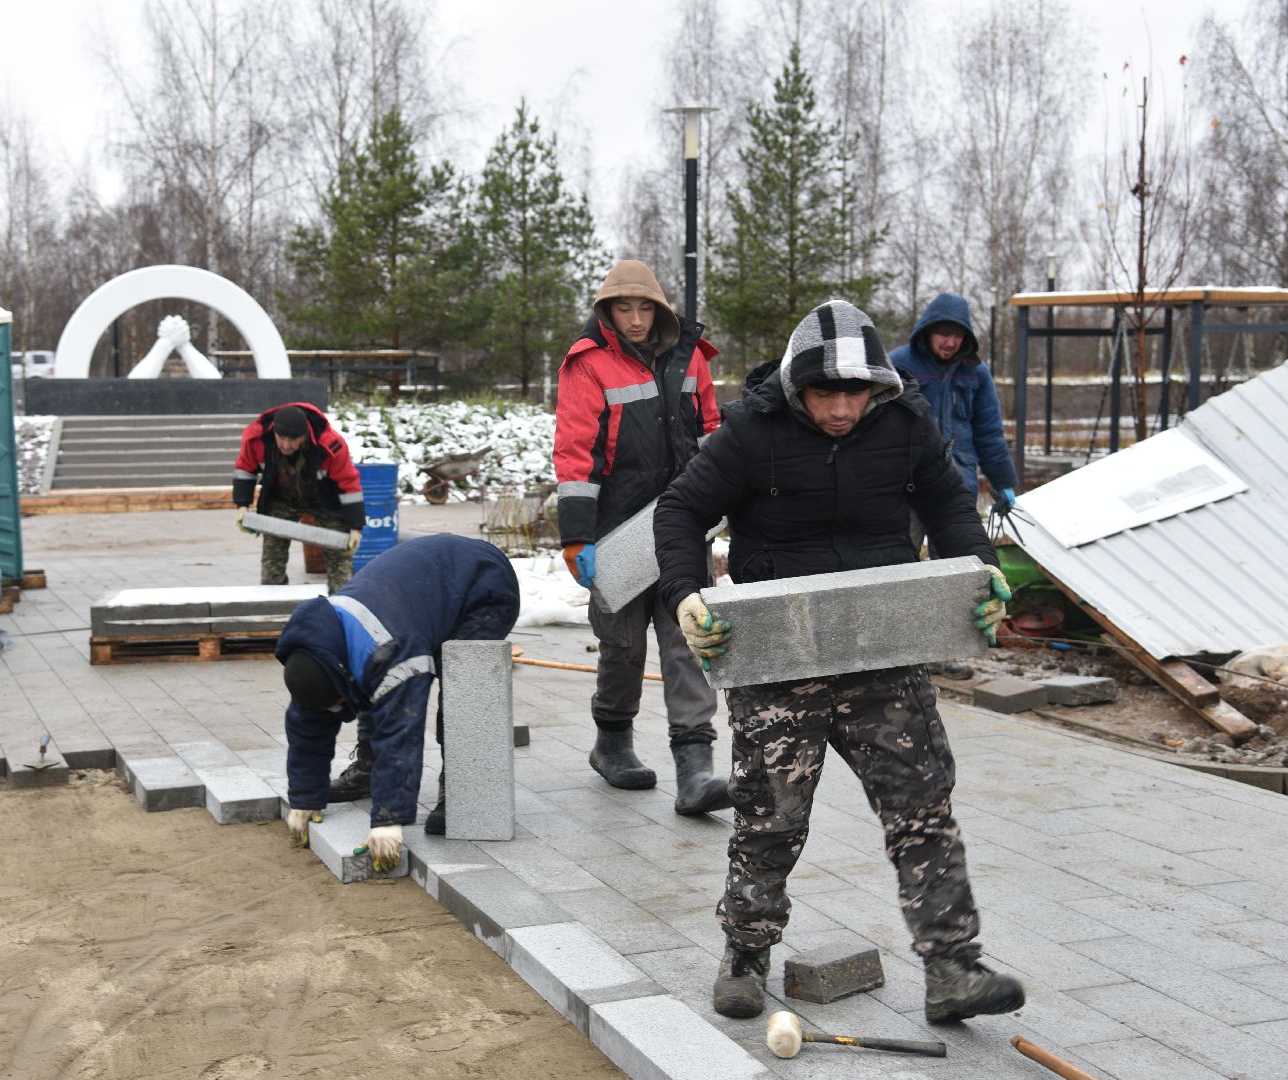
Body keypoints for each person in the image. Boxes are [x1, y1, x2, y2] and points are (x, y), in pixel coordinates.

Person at [653, 299, 1023, 1025]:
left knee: (923, 807)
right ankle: (746, 953)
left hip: (883, 648)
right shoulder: (750, 431)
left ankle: (953, 967)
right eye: (826, 393)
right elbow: (680, 511)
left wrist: (982, 572)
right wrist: (683, 594)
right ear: (797, 386)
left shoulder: (905, 424)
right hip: (778, 656)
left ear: (877, 384)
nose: (842, 409)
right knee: (770, 815)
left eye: (855, 392)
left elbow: (949, 508)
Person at [553, 259, 730, 815]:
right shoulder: (588, 365)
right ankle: (612, 743)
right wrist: (577, 537)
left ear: (661, 310)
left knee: (686, 638)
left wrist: (723, 503)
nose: (634, 319)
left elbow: (712, 435)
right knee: (623, 647)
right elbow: (574, 450)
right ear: (608, 311)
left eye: (644, 307)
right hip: (615, 528)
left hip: (681, 522)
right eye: (623, 308)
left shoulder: (693, 357)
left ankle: (695, 767)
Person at [278, 534, 521, 863]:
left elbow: (400, 730)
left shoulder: (390, 649)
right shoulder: (317, 652)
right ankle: (369, 768)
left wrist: (387, 821)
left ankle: (463, 788)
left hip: (481, 584)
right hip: (424, 590)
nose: (337, 711)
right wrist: (305, 797)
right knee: (367, 685)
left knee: (461, 686)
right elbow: (307, 725)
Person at [233, 402, 373, 799]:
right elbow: (244, 469)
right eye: (281, 439)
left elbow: (348, 484)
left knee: (340, 561)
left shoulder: (330, 446)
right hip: (280, 499)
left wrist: (354, 528)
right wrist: (242, 507)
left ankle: (343, 622)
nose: (286, 444)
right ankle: (273, 618)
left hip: (322, 500)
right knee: (272, 551)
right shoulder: (257, 438)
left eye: (292, 440)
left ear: (304, 437)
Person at [889, 293, 1019, 679]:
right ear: (927, 333)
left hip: (955, 488)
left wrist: (1004, 483)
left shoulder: (974, 373)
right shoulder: (899, 365)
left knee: (956, 571)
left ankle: (947, 651)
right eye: (943, 335)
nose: (950, 343)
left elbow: (989, 432)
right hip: (905, 486)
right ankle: (901, 649)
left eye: (957, 336)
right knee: (900, 565)